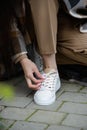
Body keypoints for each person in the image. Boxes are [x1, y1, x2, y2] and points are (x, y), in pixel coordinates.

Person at [1, 0, 87, 105]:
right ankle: (50, 68)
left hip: (68, 20)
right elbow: (7, 20)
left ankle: (39, 52)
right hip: (31, 23)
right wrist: (22, 58)